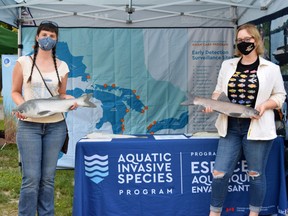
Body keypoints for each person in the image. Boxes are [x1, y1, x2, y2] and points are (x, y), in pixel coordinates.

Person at [204, 23, 286, 216]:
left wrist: (265, 106)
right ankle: (214, 213)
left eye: (247, 39)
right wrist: (213, 102)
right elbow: (218, 91)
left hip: (257, 128)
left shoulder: (271, 68)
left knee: (255, 176)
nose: (243, 43)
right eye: (239, 40)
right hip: (230, 127)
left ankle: (254, 214)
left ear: (256, 41)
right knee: (219, 174)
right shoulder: (228, 65)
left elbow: (280, 96)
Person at [11, 21, 77, 216]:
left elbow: (62, 94)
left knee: (48, 178)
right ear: (37, 37)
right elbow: (15, 91)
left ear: (56, 40)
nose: (48, 39)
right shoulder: (23, 62)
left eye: (52, 36)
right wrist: (22, 106)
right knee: (31, 178)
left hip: (55, 127)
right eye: (45, 35)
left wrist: (71, 101)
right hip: (28, 127)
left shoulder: (62, 66)